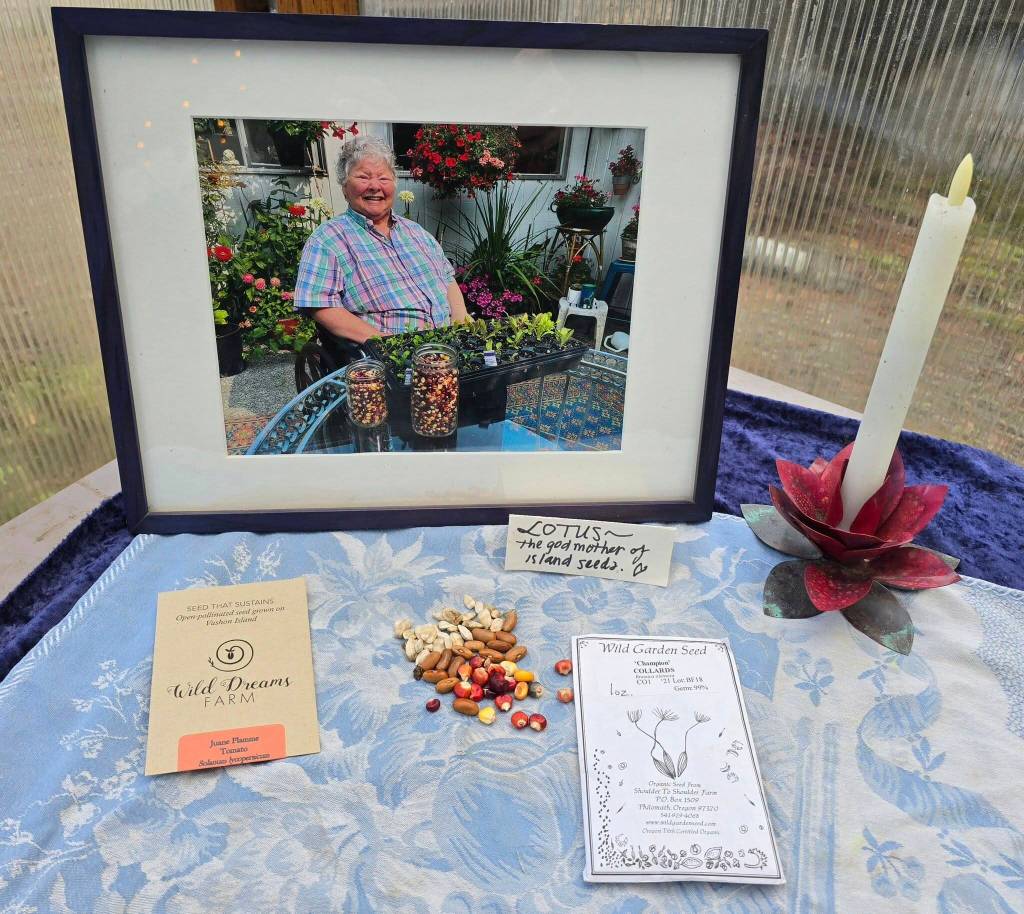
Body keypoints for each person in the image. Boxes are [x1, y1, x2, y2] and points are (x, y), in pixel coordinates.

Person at [293, 135, 468, 343]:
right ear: (344, 187)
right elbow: (320, 305)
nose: (375, 186)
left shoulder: (416, 232)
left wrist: (462, 323)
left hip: (449, 347)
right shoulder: (328, 239)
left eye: (383, 178)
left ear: (393, 185)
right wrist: (385, 343)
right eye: (363, 177)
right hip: (389, 356)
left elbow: (447, 279)